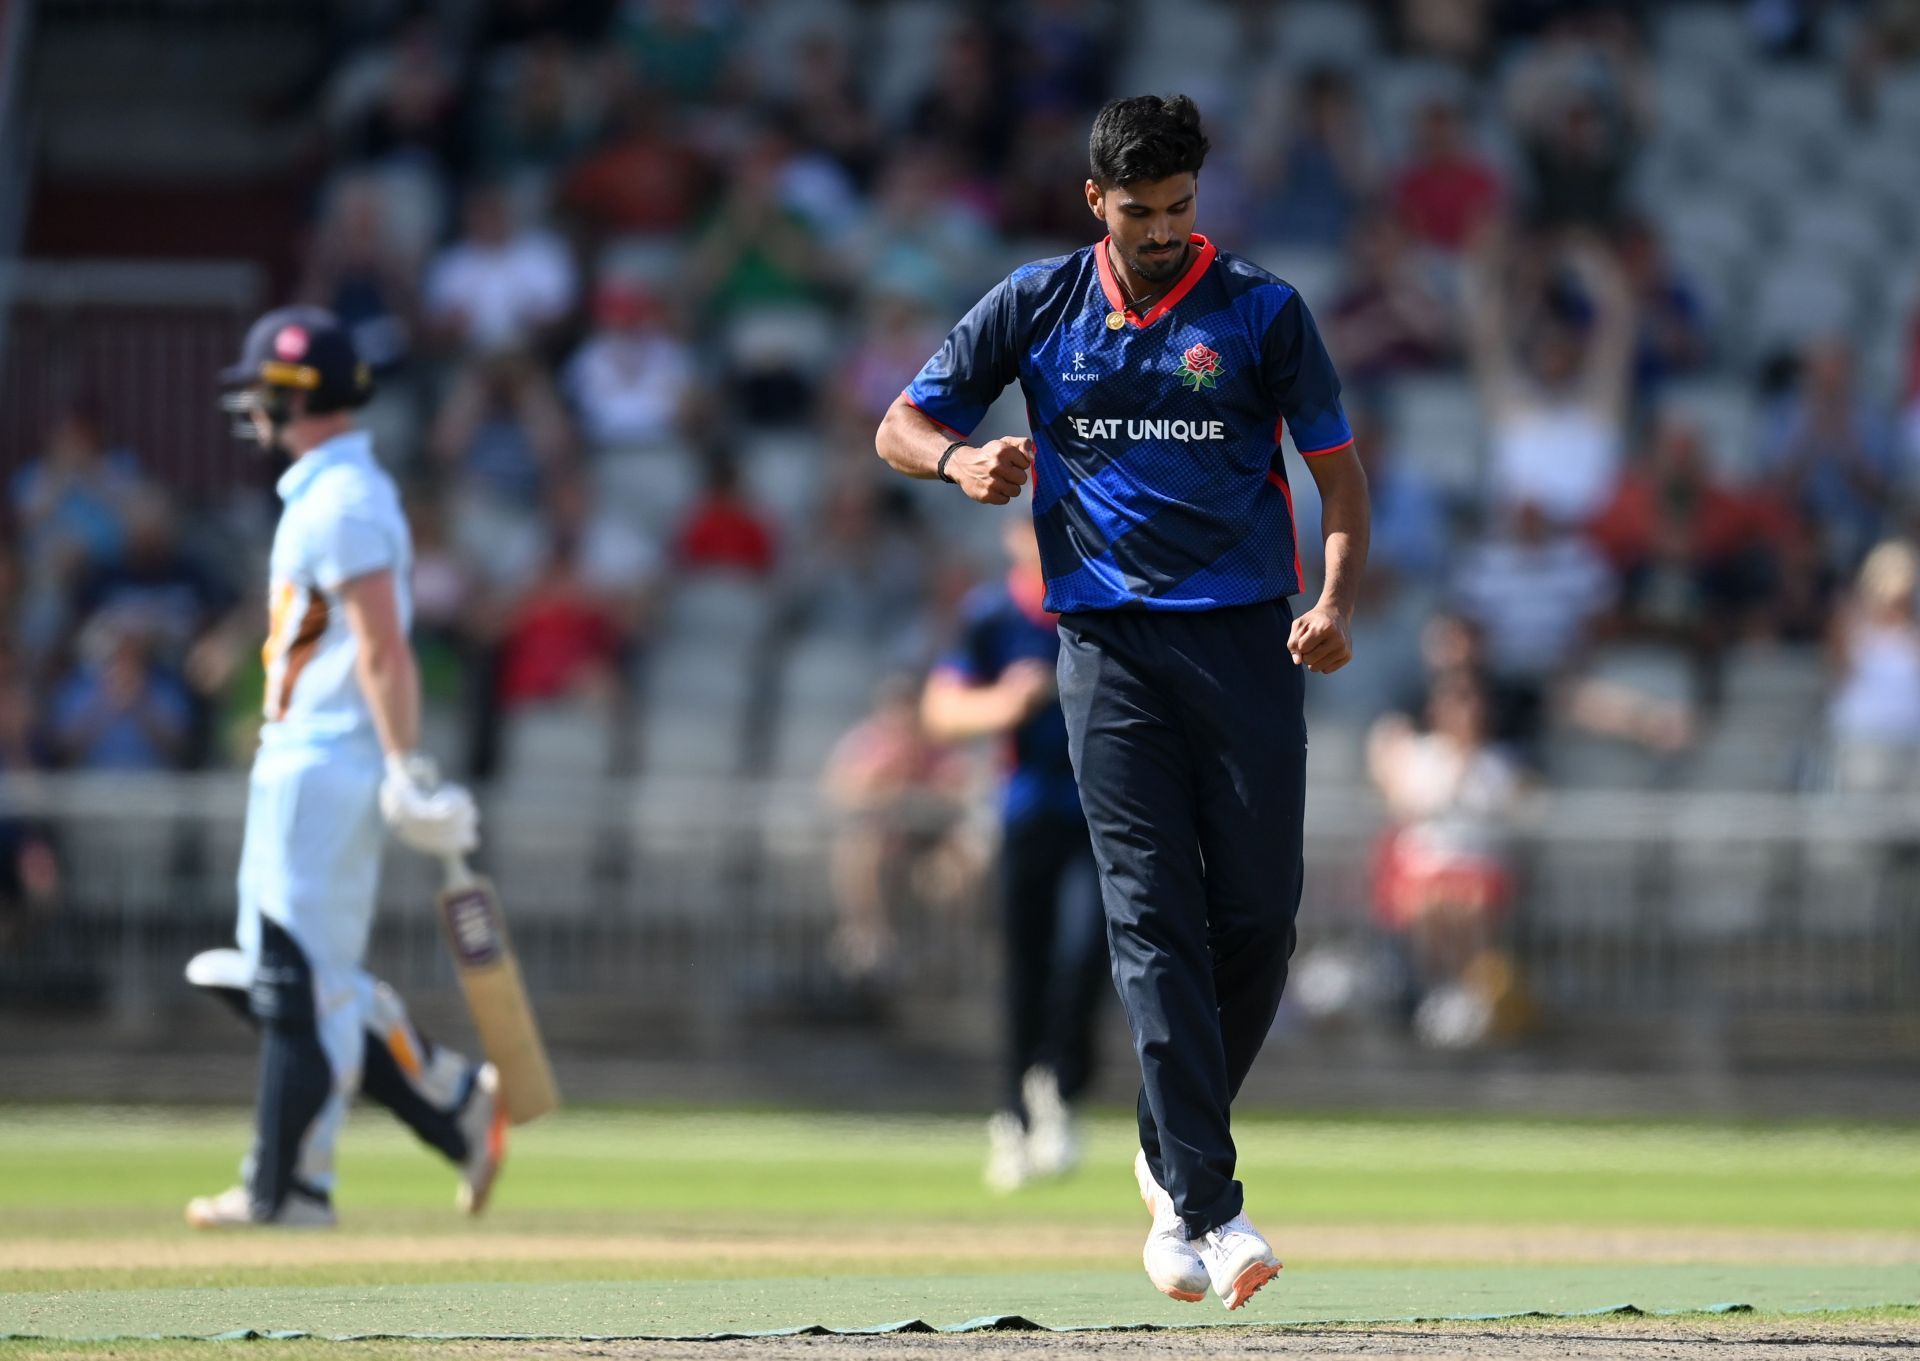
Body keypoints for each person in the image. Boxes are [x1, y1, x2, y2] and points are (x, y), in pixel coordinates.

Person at [875, 95, 1371, 1311]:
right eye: (1140, 211)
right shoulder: (1036, 303)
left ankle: (1163, 1146)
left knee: (1259, 922)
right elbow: (900, 422)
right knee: (1151, 917)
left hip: (1251, 643)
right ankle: (1209, 1200)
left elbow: (1342, 484)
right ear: (1094, 199)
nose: (1163, 230)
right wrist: (958, 461)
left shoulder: (1260, 310)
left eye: (1181, 208)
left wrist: (1336, 601)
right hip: (1102, 648)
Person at [185, 306, 504, 1228]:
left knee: (299, 984)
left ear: (297, 393)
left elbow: (383, 648)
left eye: (264, 390)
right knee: (275, 976)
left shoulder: (347, 499)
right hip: (299, 755)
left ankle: (292, 1189)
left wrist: (405, 764)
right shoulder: (324, 494)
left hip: (328, 762)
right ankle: (449, 1098)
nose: (251, 407)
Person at [922, 518, 1104, 1195]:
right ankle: (1012, 1114)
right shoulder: (993, 616)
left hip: (1098, 814)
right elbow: (940, 709)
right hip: (1027, 811)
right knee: (1023, 968)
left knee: (1091, 952)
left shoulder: (1096, 601)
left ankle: (1059, 1081)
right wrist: (1005, 703)